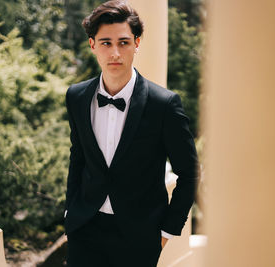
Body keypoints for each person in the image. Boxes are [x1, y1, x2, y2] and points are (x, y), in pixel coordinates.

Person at [64, 1, 198, 266]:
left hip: (139, 237)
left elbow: (190, 172)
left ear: (137, 43)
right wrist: (70, 211)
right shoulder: (76, 96)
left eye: (124, 42)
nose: (115, 52)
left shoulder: (164, 104)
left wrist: (166, 231)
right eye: (105, 43)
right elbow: (77, 156)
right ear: (92, 45)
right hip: (85, 230)